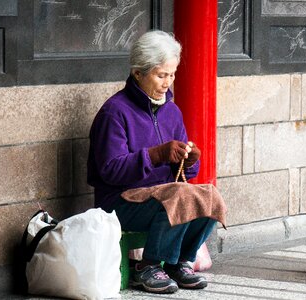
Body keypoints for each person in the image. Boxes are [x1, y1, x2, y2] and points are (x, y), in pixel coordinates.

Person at [87, 30, 217, 294]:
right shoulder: (115, 112)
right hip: (120, 200)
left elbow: (183, 174)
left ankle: (177, 262)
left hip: (162, 197)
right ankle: (147, 266)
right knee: (178, 196)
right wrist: (156, 154)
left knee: (210, 197)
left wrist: (189, 160)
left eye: (172, 74)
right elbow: (110, 170)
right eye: (161, 75)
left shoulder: (172, 111)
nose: (167, 82)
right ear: (138, 73)